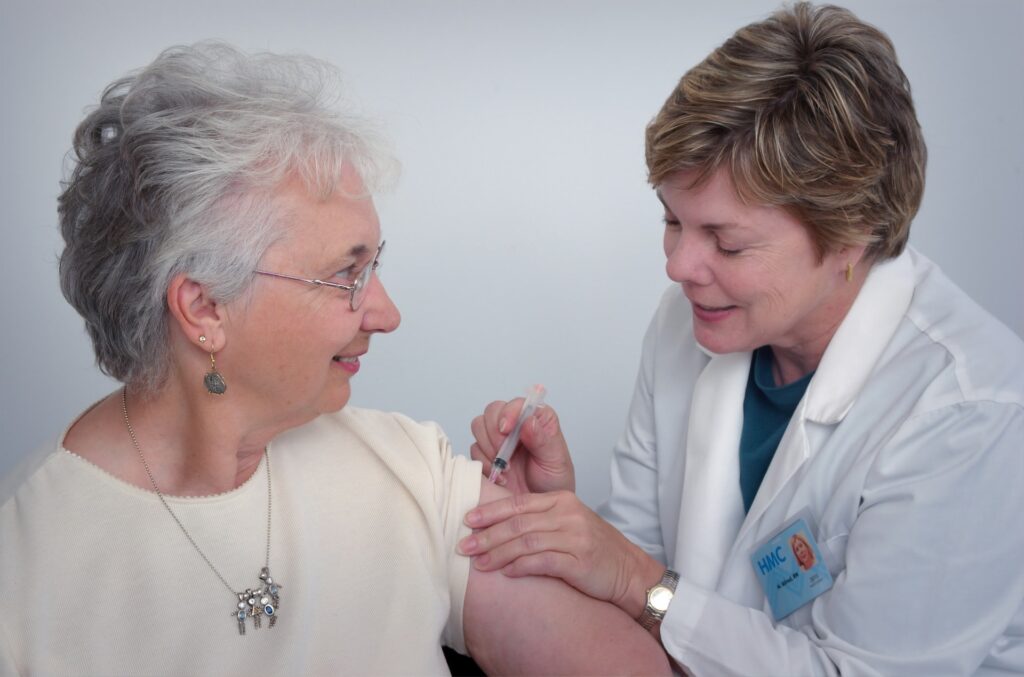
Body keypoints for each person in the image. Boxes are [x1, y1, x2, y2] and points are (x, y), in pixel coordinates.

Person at [0, 42, 670, 676]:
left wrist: (556, 548)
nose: (385, 312)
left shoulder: (409, 474)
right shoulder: (23, 567)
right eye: (346, 274)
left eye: (373, 265)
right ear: (203, 309)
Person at [460, 3, 1024, 675]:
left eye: (726, 241)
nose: (678, 266)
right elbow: (630, 576)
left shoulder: (970, 411)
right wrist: (562, 523)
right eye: (673, 221)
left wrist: (636, 578)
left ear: (850, 233)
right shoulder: (687, 324)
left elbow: (859, 669)